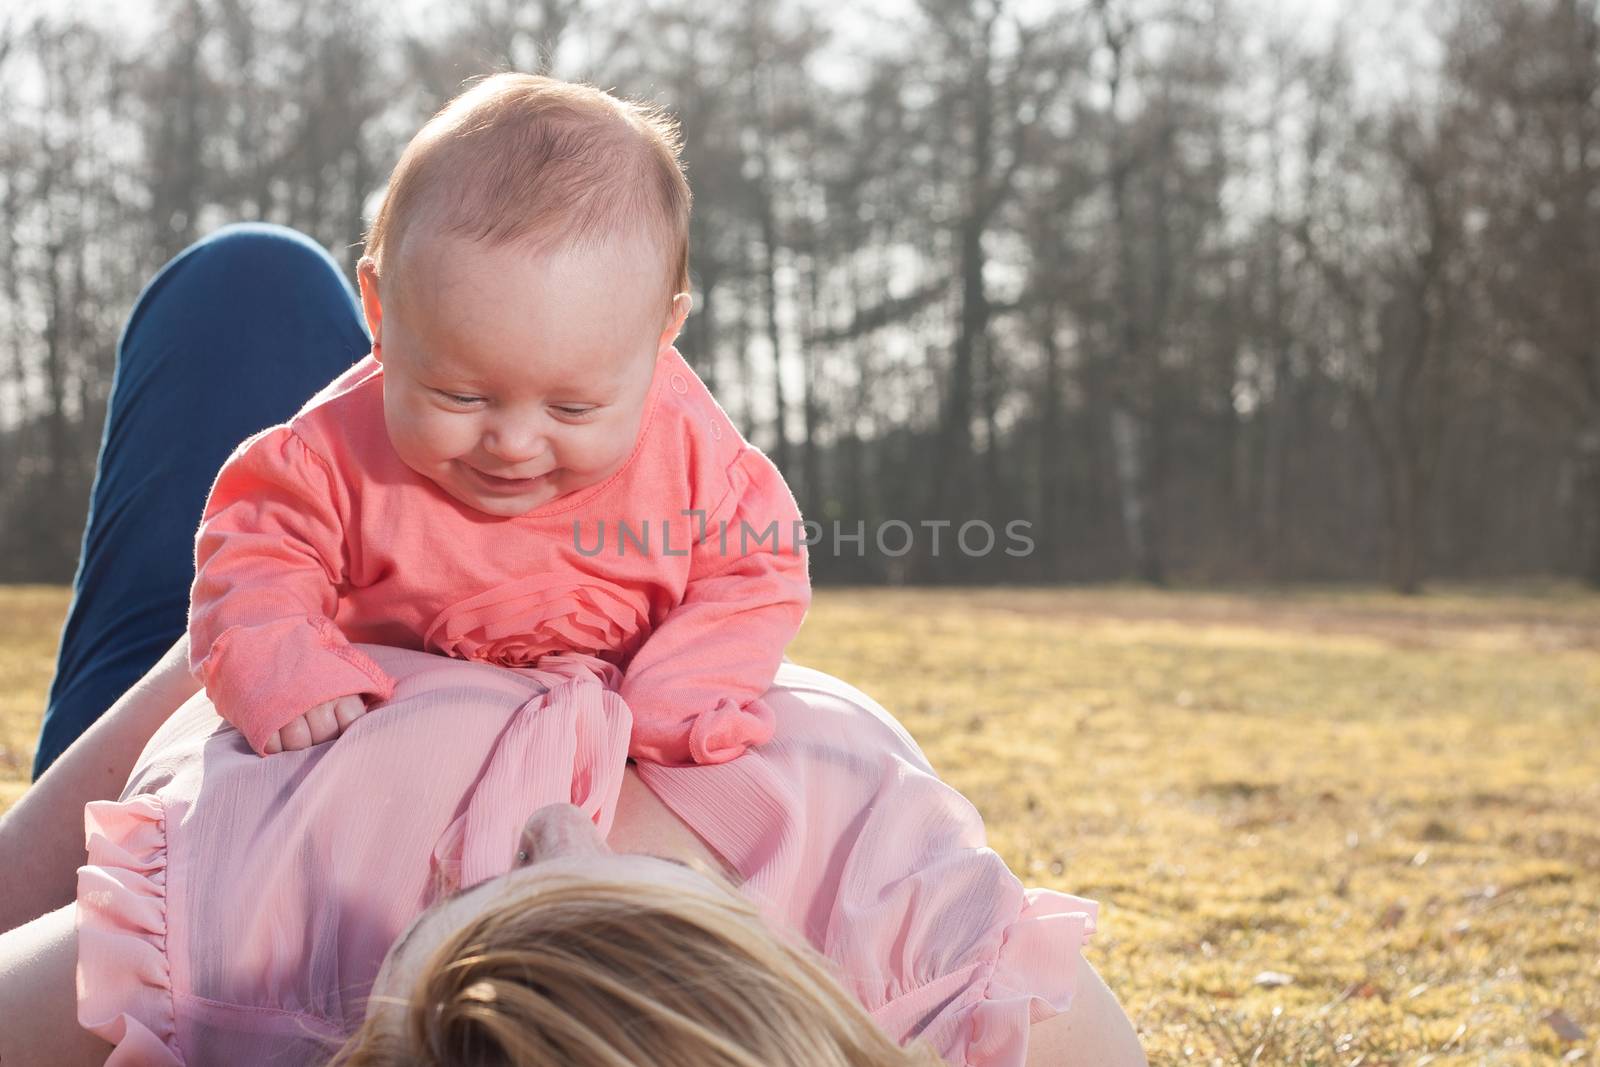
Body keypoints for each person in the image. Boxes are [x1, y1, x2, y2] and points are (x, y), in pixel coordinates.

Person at [0, 211, 1142, 1067]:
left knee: (245, 283)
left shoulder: (254, 939)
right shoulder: (933, 959)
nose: (553, 822)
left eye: (491, 908)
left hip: (251, 655)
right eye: (631, 911)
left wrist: (243, 637)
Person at [186, 72, 808, 766]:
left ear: (663, 335)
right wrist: (287, 668)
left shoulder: (694, 455)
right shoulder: (331, 456)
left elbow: (758, 568)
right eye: (461, 396)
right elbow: (255, 555)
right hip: (410, 738)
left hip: (609, 716)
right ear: (382, 311)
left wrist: (681, 690)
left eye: (572, 407)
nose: (512, 444)